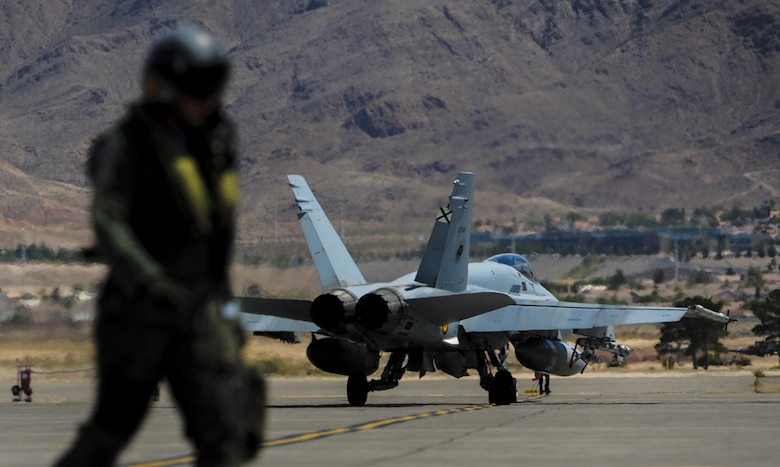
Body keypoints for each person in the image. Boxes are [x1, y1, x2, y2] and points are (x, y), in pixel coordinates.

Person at [54, 25, 264, 467]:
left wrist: (224, 310)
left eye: (213, 89)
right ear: (166, 89)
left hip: (196, 310)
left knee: (228, 435)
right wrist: (149, 280)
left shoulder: (216, 141)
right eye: (198, 90)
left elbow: (217, 236)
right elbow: (107, 219)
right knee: (109, 433)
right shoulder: (130, 144)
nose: (208, 101)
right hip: (138, 312)